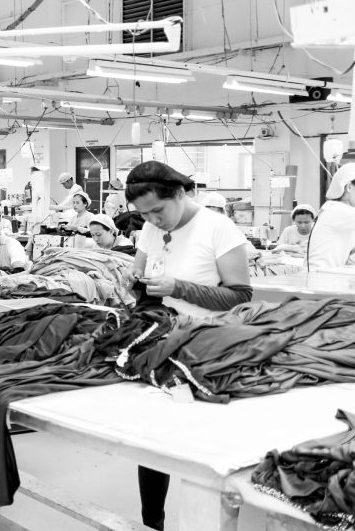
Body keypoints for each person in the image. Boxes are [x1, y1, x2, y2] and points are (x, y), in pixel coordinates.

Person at [122, 161, 252, 531]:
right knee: (152, 438)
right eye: (143, 214)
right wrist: (134, 281)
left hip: (207, 349)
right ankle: (152, 522)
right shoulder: (151, 229)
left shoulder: (218, 228)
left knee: (204, 443)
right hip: (162, 344)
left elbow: (240, 295)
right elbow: (143, 275)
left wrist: (179, 288)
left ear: (180, 194)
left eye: (157, 210)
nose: (152, 220)